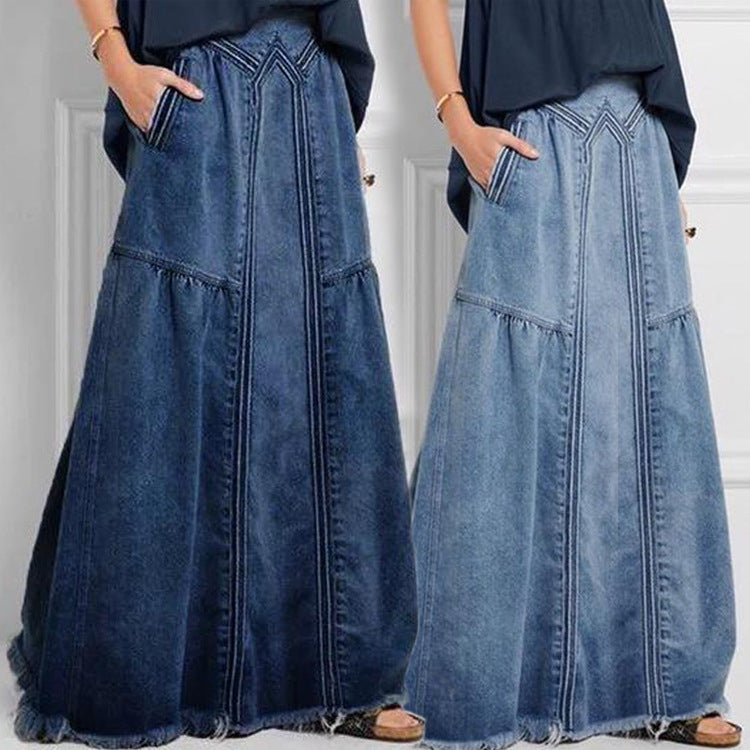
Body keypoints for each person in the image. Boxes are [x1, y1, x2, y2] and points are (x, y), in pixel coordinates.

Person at [7, 0, 423, 745]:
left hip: (314, 78)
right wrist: (117, 61)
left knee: (323, 378)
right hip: (194, 75)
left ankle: (342, 681)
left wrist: (337, 113)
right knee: (159, 378)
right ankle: (129, 679)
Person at [405, 0, 740, 747]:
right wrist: (458, 122)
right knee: (496, 410)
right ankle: (465, 691)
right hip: (532, 135)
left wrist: (659, 164)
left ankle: (671, 692)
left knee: (649, 407)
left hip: (639, 133)